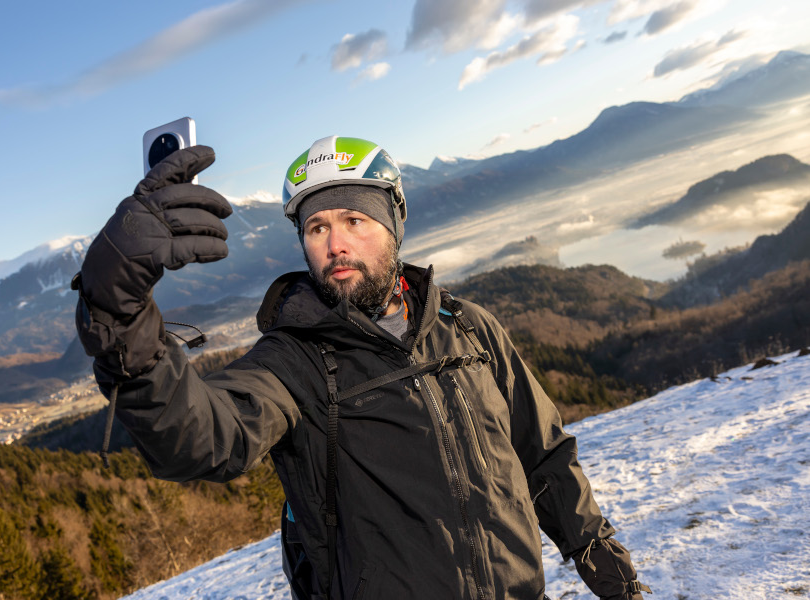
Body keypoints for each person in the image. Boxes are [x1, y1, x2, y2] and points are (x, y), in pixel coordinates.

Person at [72, 136, 652, 600]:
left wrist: (603, 563)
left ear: (393, 226)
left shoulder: (469, 328)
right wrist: (116, 311)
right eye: (317, 228)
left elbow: (544, 454)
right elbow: (201, 439)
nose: (335, 243)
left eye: (355, 220)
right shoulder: (292, 362)